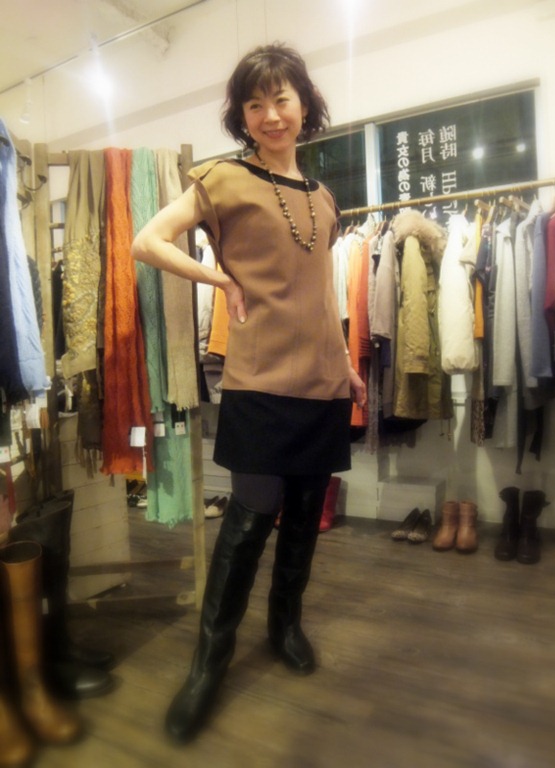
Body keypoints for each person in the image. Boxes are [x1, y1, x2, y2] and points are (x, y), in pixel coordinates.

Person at [131, 42, 366, 744]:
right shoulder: (222, 180)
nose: (271, 115)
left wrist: (346, 364)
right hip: (260, 381)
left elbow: (320, 295)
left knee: (305, 515)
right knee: (250, 517)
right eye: (255, 103)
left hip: (324, 381)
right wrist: (218, 278)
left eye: (282, 99)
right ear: (241, 114)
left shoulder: (323, 198)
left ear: (304, 104)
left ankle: (285, 624)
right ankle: (209, 663)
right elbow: (148, 241)